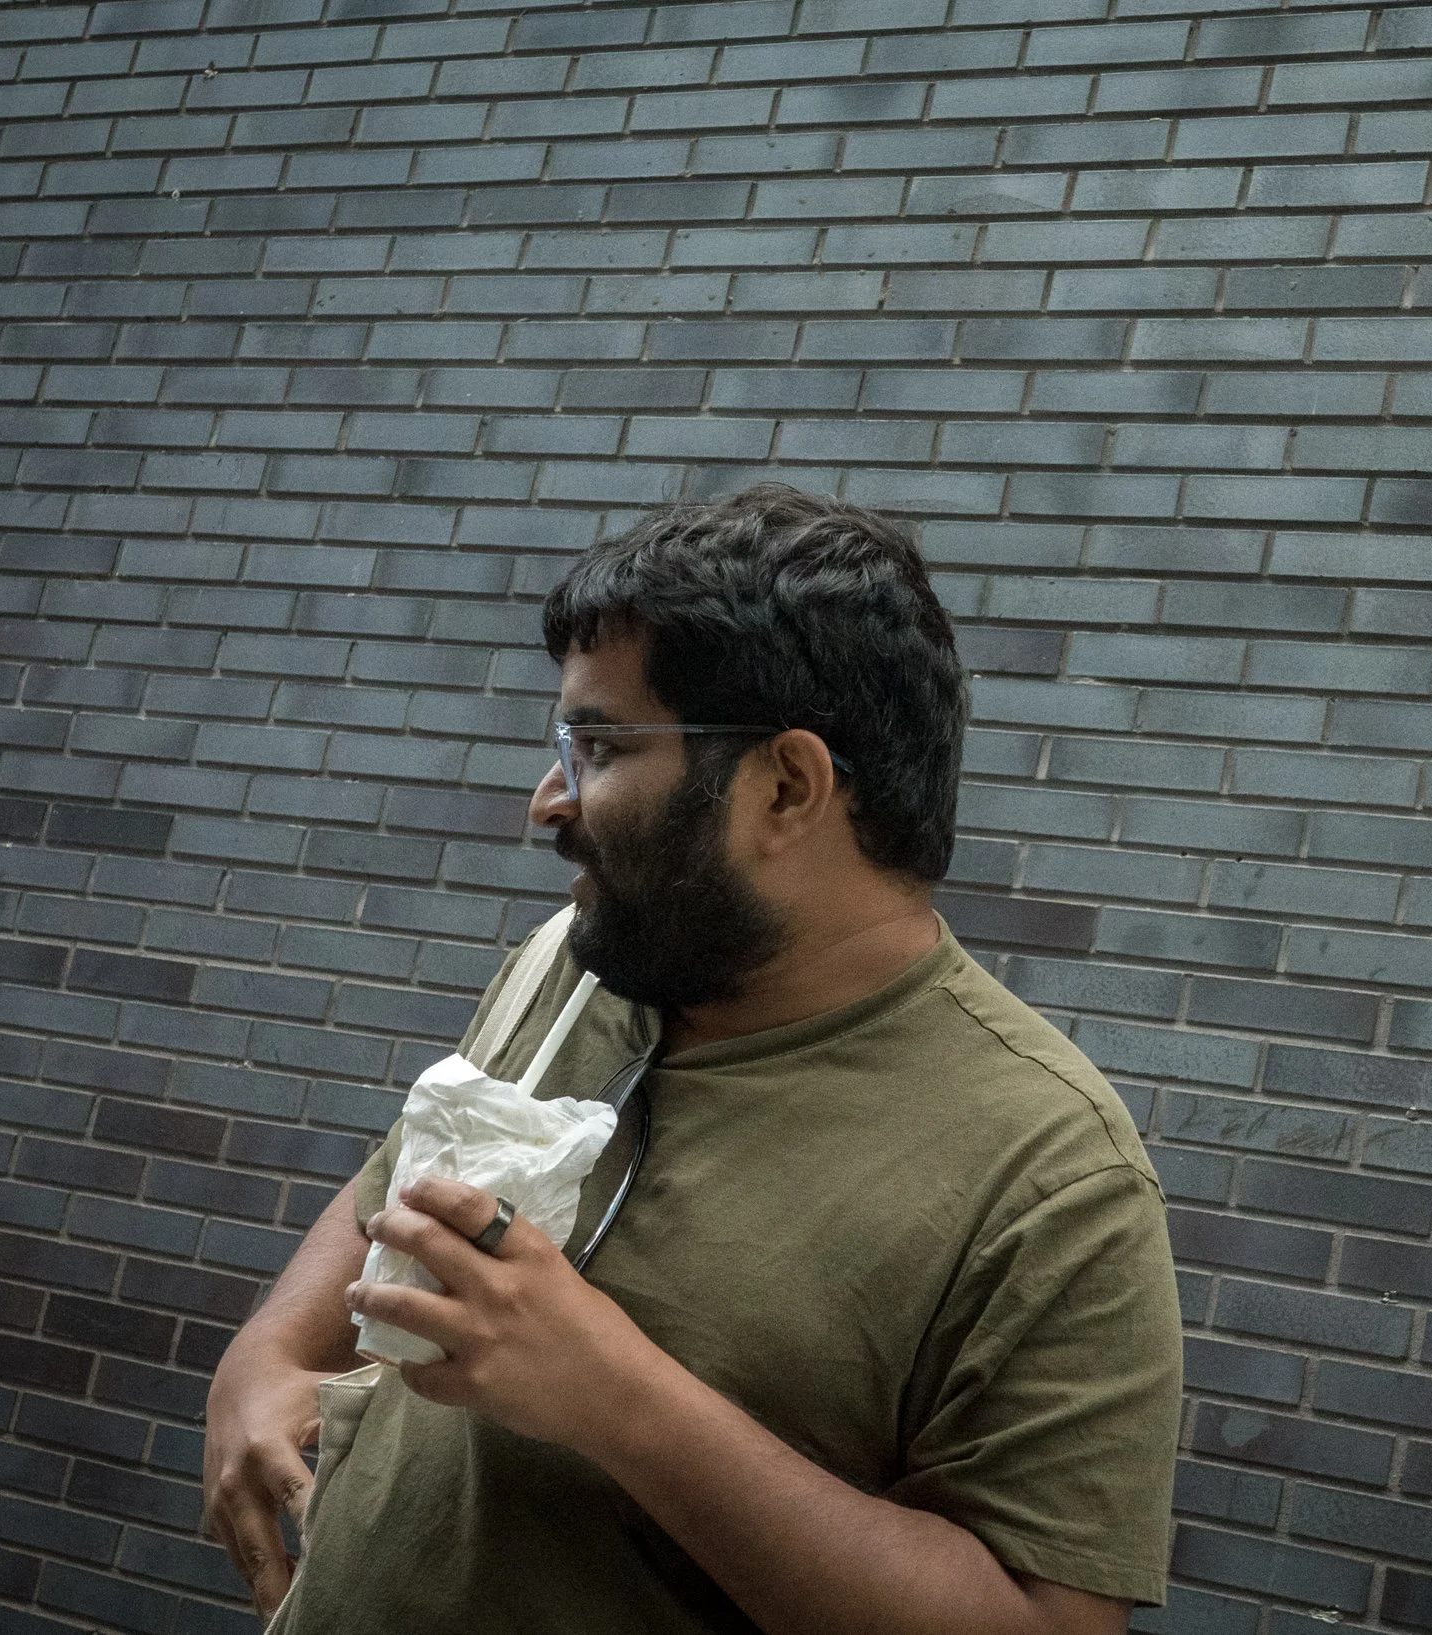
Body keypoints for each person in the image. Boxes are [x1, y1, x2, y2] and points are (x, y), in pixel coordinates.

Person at [201, 485, 1183, 1635]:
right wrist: (267, 1352)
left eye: (603, 744)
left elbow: (1050, 1623)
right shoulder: (582, 960)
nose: (546, 800)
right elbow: (403, 1184)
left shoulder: (1052, 1173)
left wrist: (617, 1397)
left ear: (786, 786)